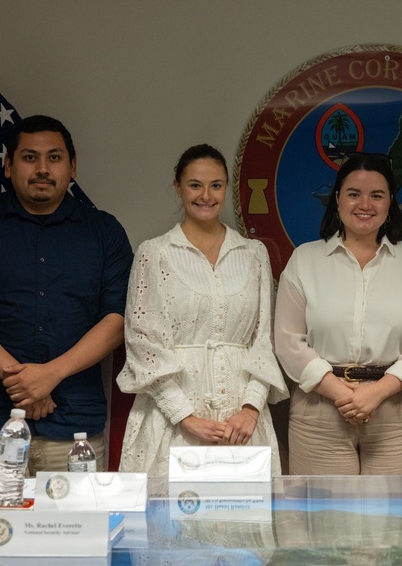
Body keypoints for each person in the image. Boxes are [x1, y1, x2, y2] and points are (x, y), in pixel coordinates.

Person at [0, 114, 133, 476]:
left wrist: (51, 375)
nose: (42, 168)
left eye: (54, 158)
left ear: (73, 167)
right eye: (29, 158)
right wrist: (23, 383)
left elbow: (118, 318)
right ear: (7, 166)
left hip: (75, 435)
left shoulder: (105, 231)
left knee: (76, 533)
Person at [117, 144, 288, 476]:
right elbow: (142, 342)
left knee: (243, 521)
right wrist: (185, 416)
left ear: (227, 187)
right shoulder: (155, 253)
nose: (206, 195)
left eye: (216, 185)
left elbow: (263, 339)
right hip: (173, 420)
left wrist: (251, 409)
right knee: (172, 523)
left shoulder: (253, 253)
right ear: (178, 187)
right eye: (195, 185)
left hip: (243, 422)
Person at [274, 153, 402, 475]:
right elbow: (287, 341)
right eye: (354, 193)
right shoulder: (305, 260)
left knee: (393, 521)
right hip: (320, 411)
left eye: (376, 195)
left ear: (390, 201)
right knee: (326, 522)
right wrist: (342, 394)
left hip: (397, 410)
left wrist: (378, 391)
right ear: (337, 198)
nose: (364, 204)